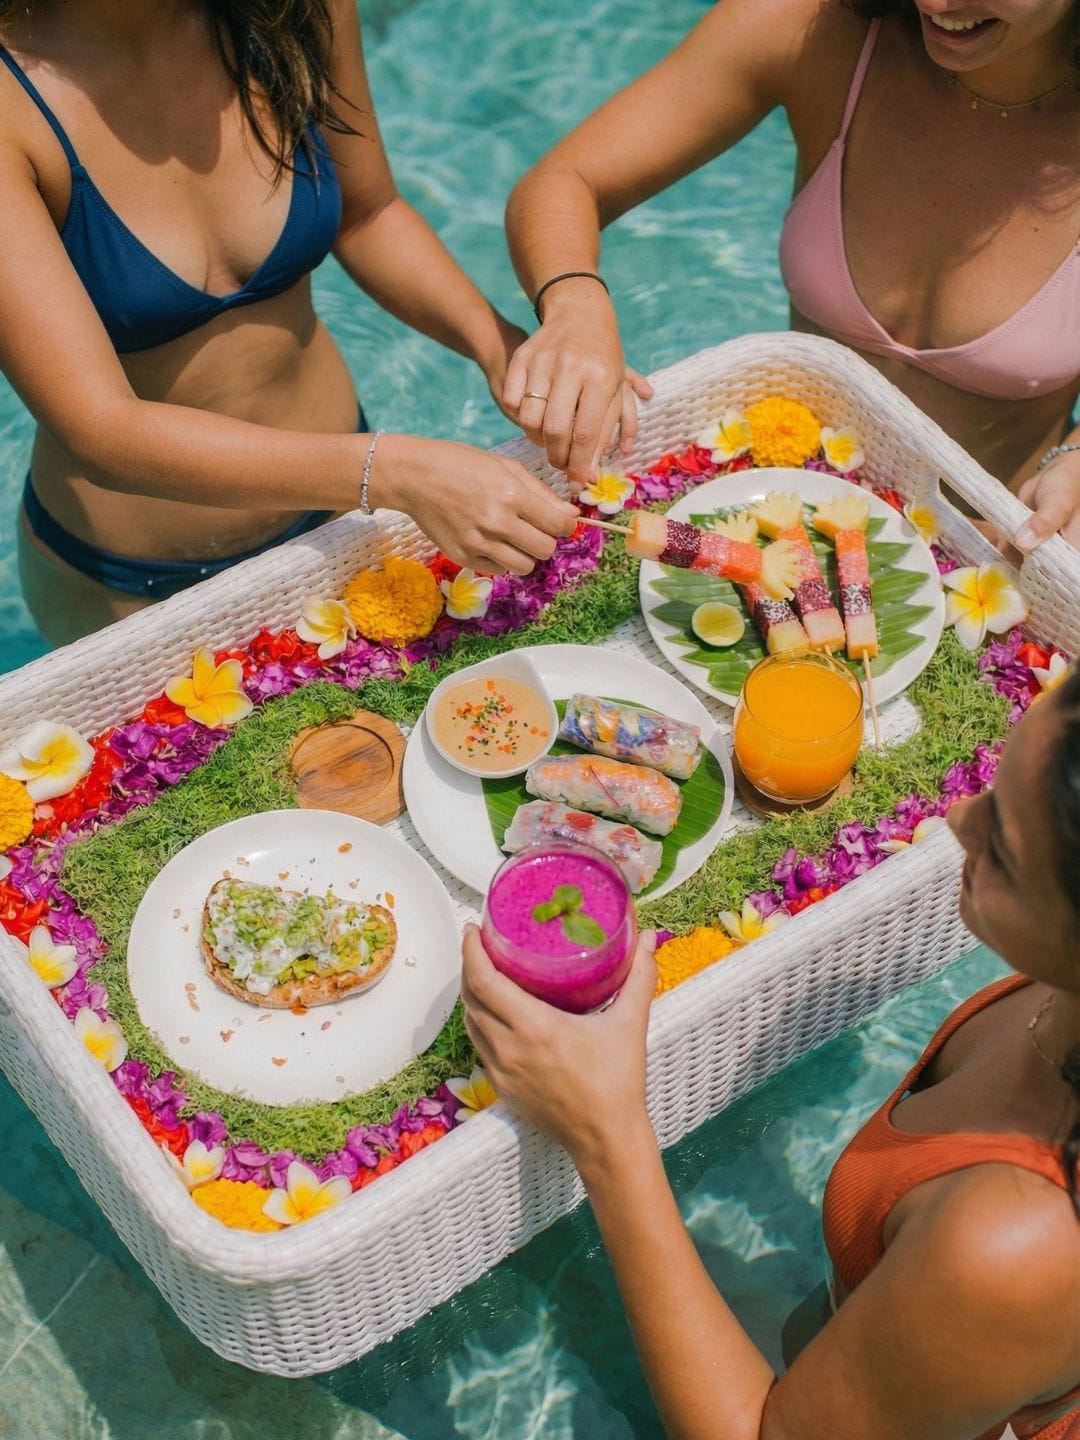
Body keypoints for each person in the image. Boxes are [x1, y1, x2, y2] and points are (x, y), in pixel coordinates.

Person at [461, 667, 1080, 1439]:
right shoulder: (1059, 995)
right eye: (996, 783)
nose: (959, 816)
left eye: (1007, 852)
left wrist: (607, 1133)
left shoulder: (1016, 1245)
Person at [0, 0, 580, 646]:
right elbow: (101, 428)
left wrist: (501, 349)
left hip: (340, 516)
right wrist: (392, 471)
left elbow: (368, 213)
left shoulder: (294, 8)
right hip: (133, 590)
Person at [502, 0, 1080, 553]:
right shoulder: (818, 29)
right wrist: (575, 304)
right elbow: (565, 177)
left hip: (982, 558)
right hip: (766, 506)